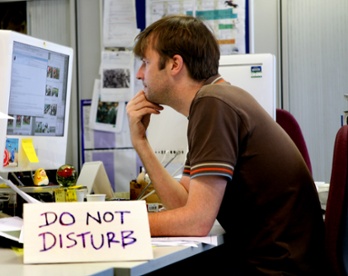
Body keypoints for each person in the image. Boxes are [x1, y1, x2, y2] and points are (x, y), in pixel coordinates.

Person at [126, 15, 328, 275]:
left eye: (146, 62)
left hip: (277, 268)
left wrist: (122, 224)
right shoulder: (215, 100)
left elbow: (196, 222)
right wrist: (141, 142)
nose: (140, 74)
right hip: (278, 261)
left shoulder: (213, 104)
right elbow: (183, 206)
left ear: (175, 64)